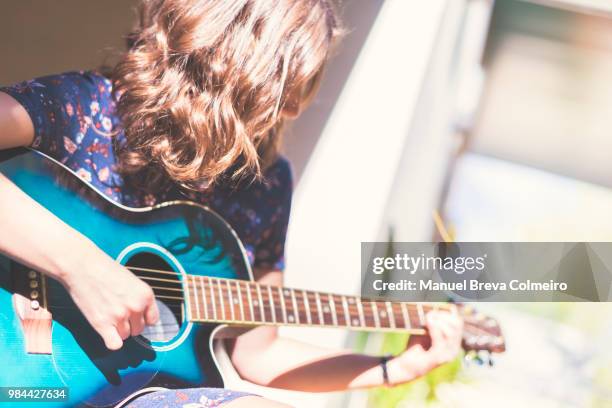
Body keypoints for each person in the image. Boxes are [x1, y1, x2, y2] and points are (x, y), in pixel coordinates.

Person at [0, 0, 463, 407]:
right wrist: (82, 268)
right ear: (230, 61)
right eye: (284, 86)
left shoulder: (265, 182)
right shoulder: (88, 110)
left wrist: (390, 369)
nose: (295, 109)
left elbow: (257, 352)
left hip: (147, 395)